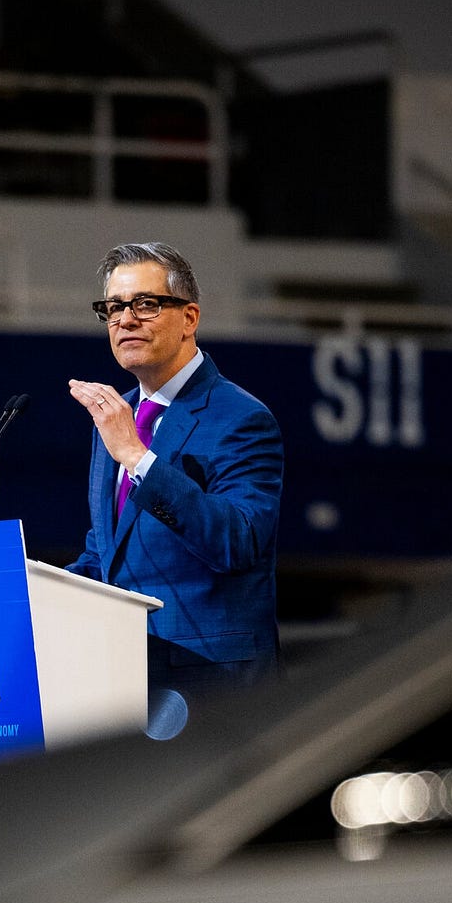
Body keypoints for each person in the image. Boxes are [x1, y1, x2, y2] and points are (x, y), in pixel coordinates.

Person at [65, 242, 284, 715]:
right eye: (114, 307)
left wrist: (139, 459)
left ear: (189, 319)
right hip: (124, 683)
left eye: (145, 304)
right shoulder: (117, 416)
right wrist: (19, 595)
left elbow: (238, 541)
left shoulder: (241, 418)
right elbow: (107, 553)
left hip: (214, 689)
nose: (125, 319)